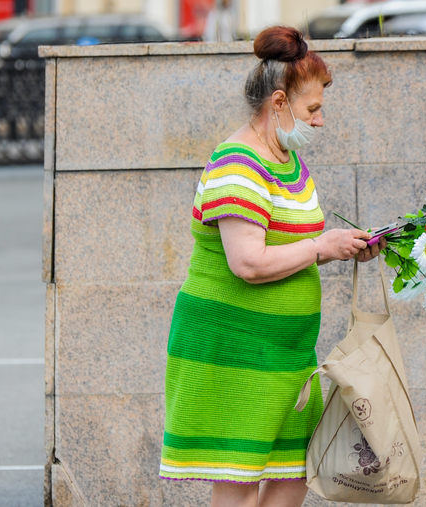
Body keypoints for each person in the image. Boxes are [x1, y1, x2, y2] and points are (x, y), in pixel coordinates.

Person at [158, 25, 387, 507]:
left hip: (286, 354)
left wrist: (349, 246)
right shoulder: (237, 163)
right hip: (234, 347)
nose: (320, 121)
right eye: (313, 108)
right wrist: (323, 248)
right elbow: (248, 263)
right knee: (239, 483)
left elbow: (296, 245)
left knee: (295, 475)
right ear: (278, 103)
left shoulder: (288, 159)